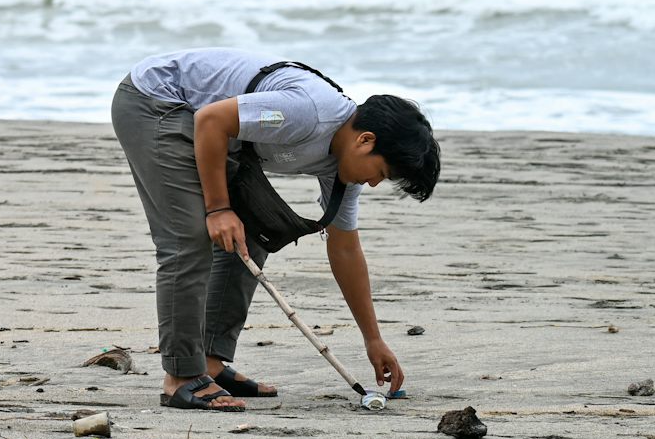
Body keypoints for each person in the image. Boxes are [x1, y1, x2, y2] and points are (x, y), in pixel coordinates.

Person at [110, 49, 440, 412]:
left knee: (251, 232)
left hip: (209, 126)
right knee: (187, 238)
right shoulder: (306, 114)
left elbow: (345, 249)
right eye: (381, 173)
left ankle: (209, 362)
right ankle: (182, 377)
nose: (375, 183)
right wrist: (218, 208)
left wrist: (373, 339)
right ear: (366, 140)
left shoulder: (343, 171)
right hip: (157, 100)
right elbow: (212, 119)